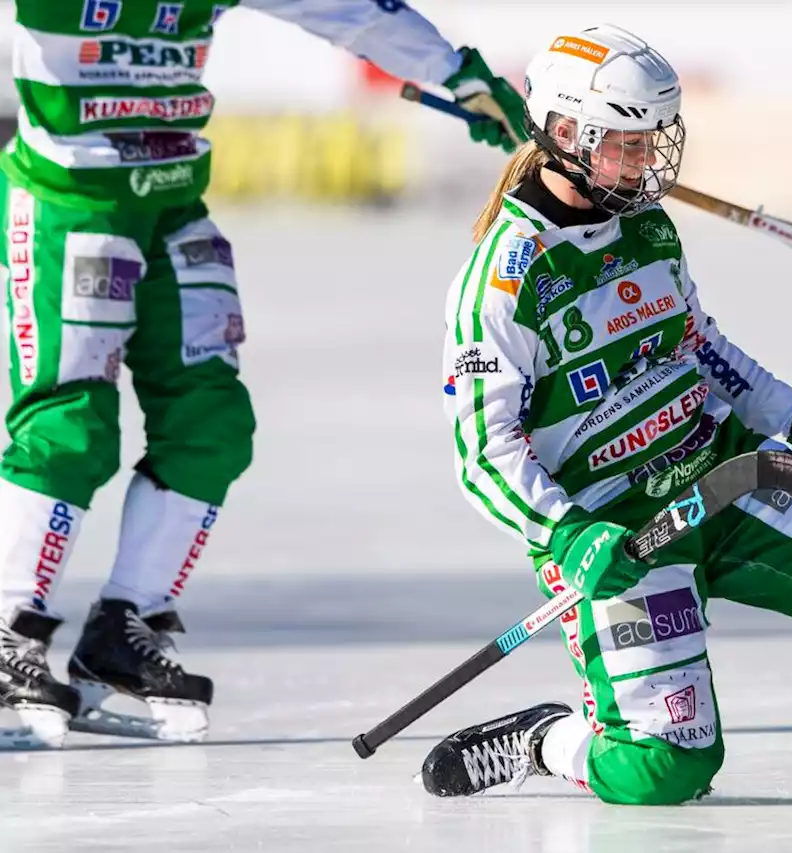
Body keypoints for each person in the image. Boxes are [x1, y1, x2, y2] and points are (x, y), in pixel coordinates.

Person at [428, 24, 792, 805]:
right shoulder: (502, 281)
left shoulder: (647, 226)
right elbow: (483, 450)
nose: (650, 161)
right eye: (630, 143)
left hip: (727, 476)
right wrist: (567, 535)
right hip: (621, 535)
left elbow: (700, 349)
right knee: (665, 772)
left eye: (655, 141)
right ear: (570, 135)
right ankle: (547, 740)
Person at [0, 0, 527, 750]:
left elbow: (344, 7)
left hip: (174, 200)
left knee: (212, 424)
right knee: (66, 427)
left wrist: (456, 73)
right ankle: (8, 632)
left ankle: (124, 627)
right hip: (67, 204)